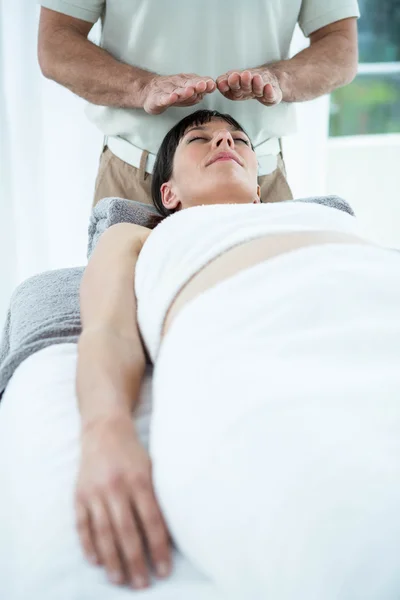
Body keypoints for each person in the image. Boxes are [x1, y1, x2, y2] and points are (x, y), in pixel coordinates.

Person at [75, 109, 400, 596]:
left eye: (239, 139)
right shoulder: (139, 234)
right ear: (169, 194)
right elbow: (107, 332)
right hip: (249, 342)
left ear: (256, 186)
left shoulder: (324, 216)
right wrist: (105, 432)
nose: (223, 142)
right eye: (200, 139)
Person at [37, 0, 360, 206]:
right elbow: (56, 40)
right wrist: (142, 88)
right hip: (136, 179)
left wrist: (281, 80)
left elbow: (340, 46)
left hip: (256, 177)